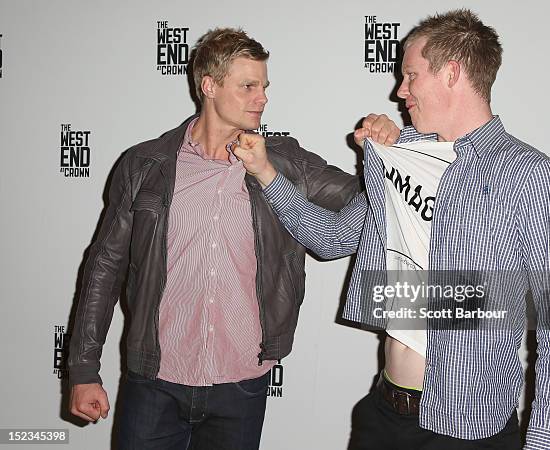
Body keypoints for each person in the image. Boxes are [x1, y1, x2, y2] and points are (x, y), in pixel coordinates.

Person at [235, 9, 550, 450]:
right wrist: (266, 173)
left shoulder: (532, 176)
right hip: (382, 414)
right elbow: (329, 239)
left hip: (466, 432)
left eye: (411, 76)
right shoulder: (401, 158)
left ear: (452, 73)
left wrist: (545, 444)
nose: (399, 91)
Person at [67, 27, 397, 450]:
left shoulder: (286, 162)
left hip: (241, 385)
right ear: (209, 86)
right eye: (248, 86)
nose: (262, 98)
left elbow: (372, 200)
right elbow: (104, 269)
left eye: (264, 86)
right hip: (155, 380)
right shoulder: (144, 165)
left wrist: (388, 147)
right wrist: (83, 369)